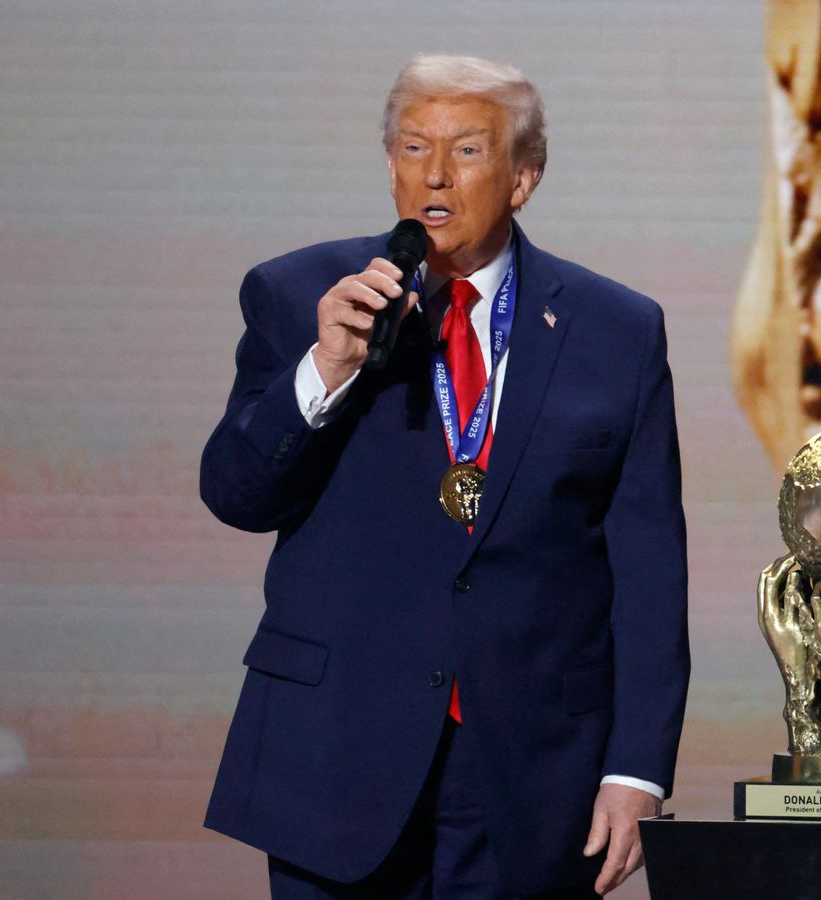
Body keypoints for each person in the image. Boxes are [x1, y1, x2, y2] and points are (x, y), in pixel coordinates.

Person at [199, 55, 689, 898]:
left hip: (531, 772)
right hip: (337, 751)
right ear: (391, 165)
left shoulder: (616, 329)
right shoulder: (301, 295)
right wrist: (325, 370)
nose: (433, 174)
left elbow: (647, 570)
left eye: (465, 151)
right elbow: (237, 494)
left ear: (523, 177)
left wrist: (636, 768)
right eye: (413, 147)